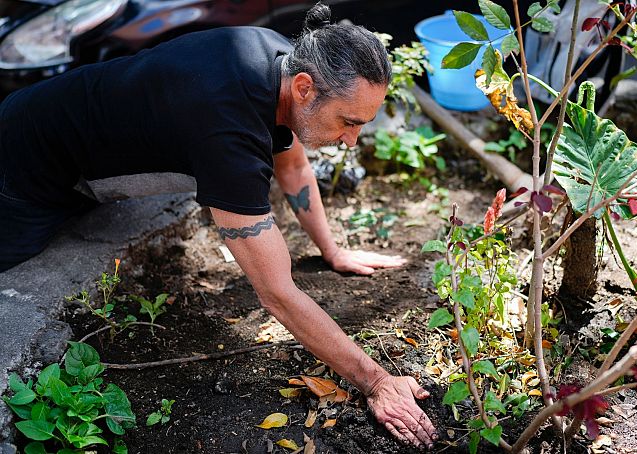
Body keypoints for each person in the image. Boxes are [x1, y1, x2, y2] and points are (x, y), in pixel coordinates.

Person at [0, 3, 438, 449]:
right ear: (305, 88)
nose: (351, 140)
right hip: (24, 163)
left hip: (65, 135)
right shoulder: (229, 131)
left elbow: (294, 170)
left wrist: (334, 251)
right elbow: (277, 294)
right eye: (349, 122)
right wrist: (377, 381)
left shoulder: (282, 63)